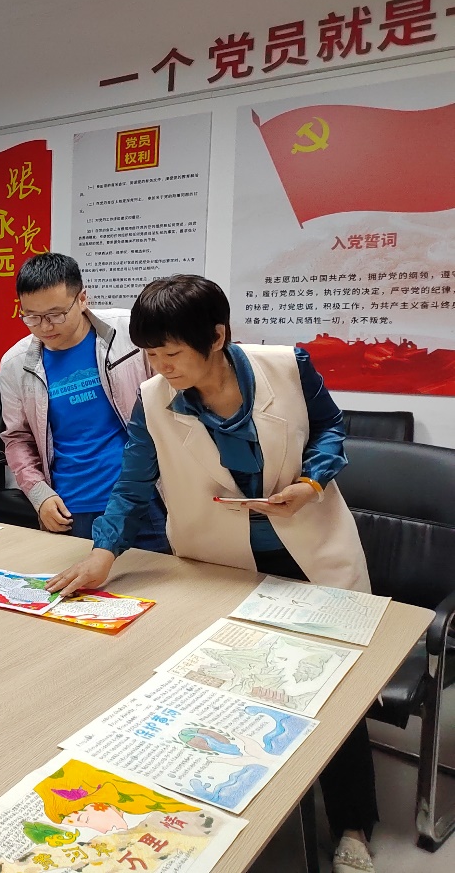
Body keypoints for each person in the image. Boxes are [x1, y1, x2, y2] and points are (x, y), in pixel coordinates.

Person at [47, 274, 376, 873]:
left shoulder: (287, 367)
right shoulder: (154, 399)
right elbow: (134, 483)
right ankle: (239, 811)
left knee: (331, 691)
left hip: (310, 551)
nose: (159, 366)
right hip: (220, 562)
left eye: (171, 352)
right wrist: (104, 552)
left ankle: (352, 825)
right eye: (150, 353)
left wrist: (310, 483)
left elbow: (332, 428)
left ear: (218, 336)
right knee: (225, 687)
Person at [0, 253, 167, 551]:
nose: (45, 327)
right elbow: (18, 439)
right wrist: (39, 494)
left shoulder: (130, 334)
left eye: (56, 314)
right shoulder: (16, 364)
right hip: (70, 507)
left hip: (144, 499)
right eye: (32, 317)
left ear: (83, 299)